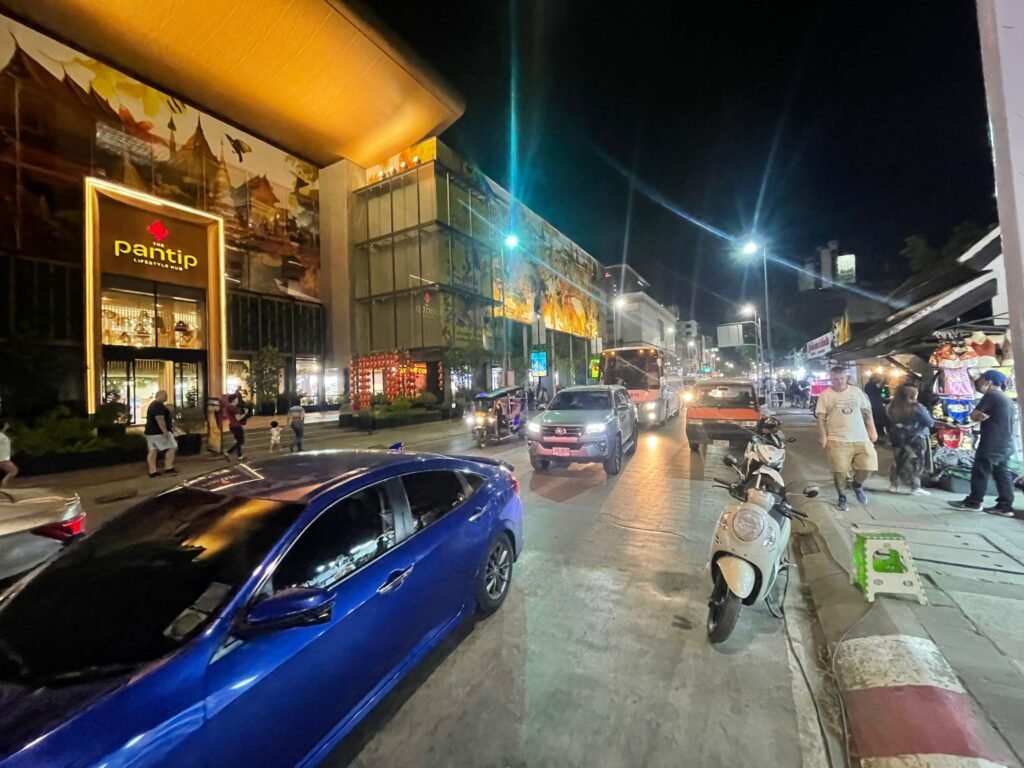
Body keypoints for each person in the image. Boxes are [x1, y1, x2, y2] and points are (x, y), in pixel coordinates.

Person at [949, 370, 1018, 514]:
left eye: (980, 380)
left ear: (988, 381)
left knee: (980, 470)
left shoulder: (991, 395)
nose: (978, 383)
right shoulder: (1007, 399)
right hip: (1007, 443)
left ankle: (974, 502)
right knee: (1002, 473)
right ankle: (1005, 506)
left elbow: (974, 415)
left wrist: (976, 415)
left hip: (992, 442)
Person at [816, 366, 879, 511]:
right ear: (831, 379)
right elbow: (820, 418)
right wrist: (823, 436)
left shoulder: (856, 392)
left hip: (861, 438)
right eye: (835, 379)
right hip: (837, 439)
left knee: (868, 466)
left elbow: (867, 411)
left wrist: (872, 431)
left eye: (841, 378)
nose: (839, 382)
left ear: (846, 378)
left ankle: (857, 485)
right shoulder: (826, 395)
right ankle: (842, 496)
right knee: (839, 471)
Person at [886, 384, 934, 495]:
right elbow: (929, 422)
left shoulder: (891, 406)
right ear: (912, 394)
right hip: (916, 437)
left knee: (898, 461)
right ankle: (915, 487)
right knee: (917, 462)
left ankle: (894, 484)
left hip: (897, 437)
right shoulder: (917, 407)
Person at [144, 389, 177, 478]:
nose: (166, 397)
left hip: (150, 432)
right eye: (165, 395)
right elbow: (160, 419)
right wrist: (165, 432)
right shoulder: (158, 406)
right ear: (159, 395)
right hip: (158, 433)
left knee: (153, 450)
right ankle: (168, 467)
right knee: (172, 446)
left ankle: (152, 471)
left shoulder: (153, 405)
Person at [864, 373, 888, 443]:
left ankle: (878, 436)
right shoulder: (873, 385)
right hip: (875, 405)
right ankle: (878, 438)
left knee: (875, 421)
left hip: (872, 403)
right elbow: (878, 393)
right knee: (877, 421)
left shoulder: (868, 384)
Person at [226, 393, 247, 461]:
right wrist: (245, 413)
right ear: (234, 400)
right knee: (240, 441)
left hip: (232, 426)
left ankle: (238, 455)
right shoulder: (234, 408)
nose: (238, 400)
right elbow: (238, 418)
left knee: (239, 441)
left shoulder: (228, 407)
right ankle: (230, 452)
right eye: (237, 398)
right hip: (237, 426)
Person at [0, 422, 18, 487]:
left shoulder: (4, 438)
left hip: (3, 459)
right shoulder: (2, 436)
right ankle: (4, 482)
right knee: (14, 470)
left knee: (13, 470)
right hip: (3, 459)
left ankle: (4, 482)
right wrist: (5, 428)